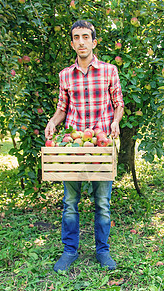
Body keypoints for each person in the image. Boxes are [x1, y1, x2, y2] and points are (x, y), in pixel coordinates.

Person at [44, 20, 124, 272]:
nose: (81, 41)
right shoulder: (65, 75)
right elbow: (61, 109)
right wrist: (52, 122)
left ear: (94, 41)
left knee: (102, 202)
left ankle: (102, 251)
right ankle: (69, 251)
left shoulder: (110, 71)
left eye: (86, 37)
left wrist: (116, 122)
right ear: (72, 43)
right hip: (73, 144)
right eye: (76, 37)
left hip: (100, 143)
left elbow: (118, 102)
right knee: (70, 201)